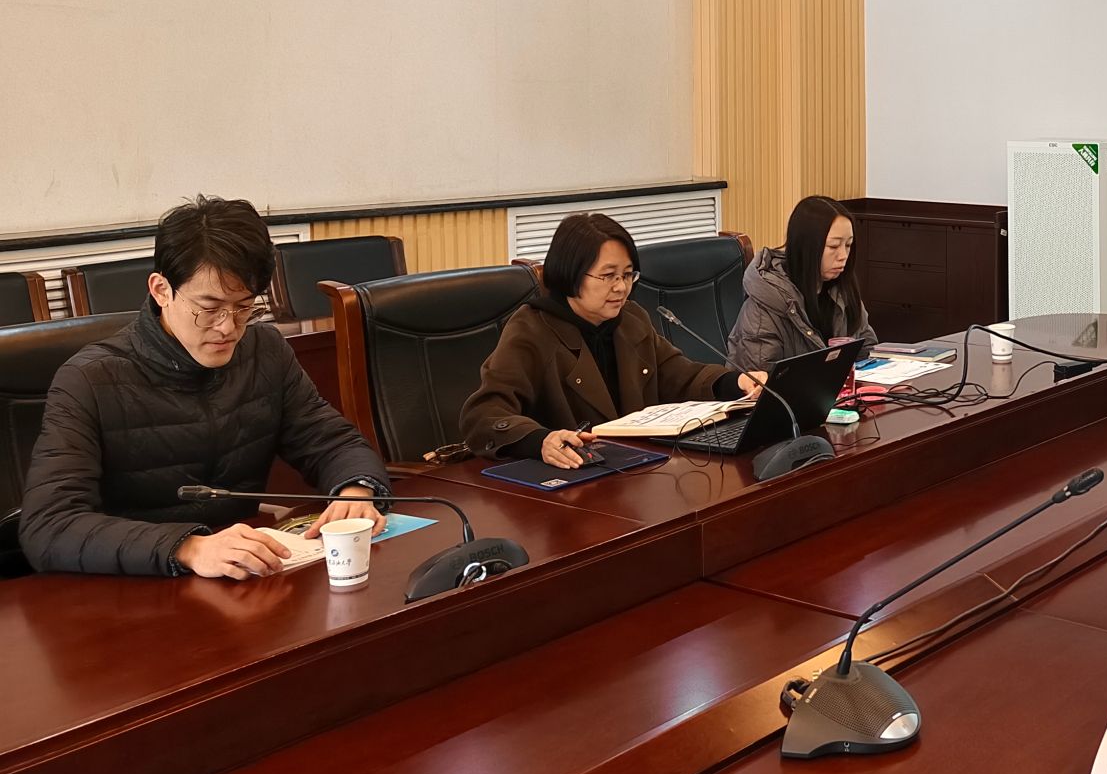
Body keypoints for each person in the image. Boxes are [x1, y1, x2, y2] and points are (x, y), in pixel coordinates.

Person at [20, 197, 392, 579]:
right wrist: (188, 547)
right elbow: (49, 525)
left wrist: (355, 491)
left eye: (244, 307)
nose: (228, 328)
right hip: (133, 584)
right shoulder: (90, 379)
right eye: (209, 308)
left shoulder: (264, 352)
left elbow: (332, 443)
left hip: (241, 575)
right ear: (161, 290)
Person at [461, 212, 765, 469]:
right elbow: (484, 414)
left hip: (635, 470)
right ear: (571, 274)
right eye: (608, 276)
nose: (621, 287)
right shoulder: (532, 329)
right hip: (573, 481)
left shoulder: (630, 319)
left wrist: (736, 383)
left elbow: (677, 374)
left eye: (628, 275)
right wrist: (540, 440)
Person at [726, 196, 872, 374]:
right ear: (806, 247)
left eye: (848, 245)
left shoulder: (841, 289)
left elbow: (867, 350)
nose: (843, 256)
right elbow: (760, 381)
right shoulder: (764, 306)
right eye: (834, 246)